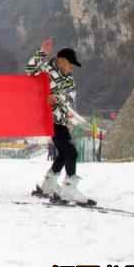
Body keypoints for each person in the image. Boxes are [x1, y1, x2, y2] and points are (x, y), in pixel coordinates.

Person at [27, 38, 91, 203]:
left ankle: (48, 184)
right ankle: (69, 189)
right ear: (62, 61)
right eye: (71, 64)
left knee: (64, 153)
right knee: (71, 152)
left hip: (61, 121)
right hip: (48, 119)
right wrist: (42, 52)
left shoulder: (69, 80)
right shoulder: (47, 69)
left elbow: (71, 99)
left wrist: (58, 98)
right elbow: (29, 70)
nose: (72, 68)